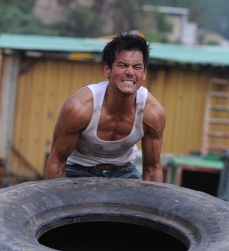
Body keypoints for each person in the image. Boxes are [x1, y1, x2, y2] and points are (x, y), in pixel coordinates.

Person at [45, 33, 166, 182]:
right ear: (107, 70)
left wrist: (151, 205)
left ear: (144, 73)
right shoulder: (80, 108)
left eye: (137, 67)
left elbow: (153, 168)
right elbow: (57, 160)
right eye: (122, 65)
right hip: (77, 169)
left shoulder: (152, 112)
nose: (130, 72)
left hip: (123, 171)